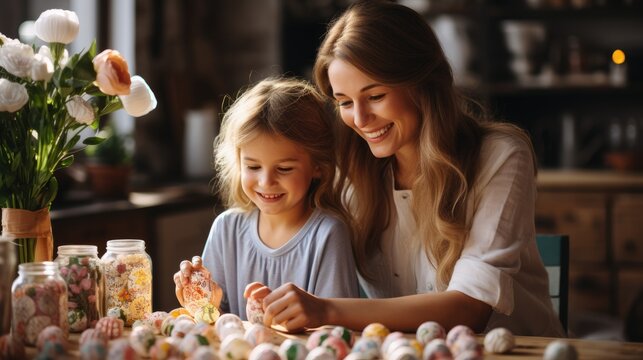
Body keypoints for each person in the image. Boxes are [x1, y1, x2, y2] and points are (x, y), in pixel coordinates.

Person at [249, 0, 566, 337]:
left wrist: (326, 309)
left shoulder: (500, 156)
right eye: (344, 102)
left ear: (421, 84)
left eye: (375, 96)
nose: (359, 119)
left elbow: (469, 309)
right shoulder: (350, 174)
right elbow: (293, 235)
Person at [173, 77, 359, 319]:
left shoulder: (328, 234)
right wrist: (201, 302)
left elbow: (335, 333)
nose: (266, 182)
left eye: (284, 169)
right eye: (253, 167)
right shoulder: (226, 229)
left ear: (318, 166)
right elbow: (212, 325)